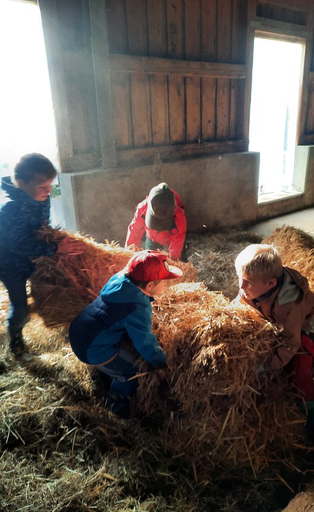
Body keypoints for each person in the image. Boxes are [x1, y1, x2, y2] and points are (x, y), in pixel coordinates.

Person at [68, 250, 183, 417]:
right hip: (92, 348)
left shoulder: (120, 280)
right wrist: (161, 362)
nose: (165, 286)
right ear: (149, 286)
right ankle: (116, 406)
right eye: (163, 282)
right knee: (133, 372)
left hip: (79, 330)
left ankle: (108, 374)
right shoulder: (137, 306)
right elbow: (145, 342)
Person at [0, 153, 83, 356]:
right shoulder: (9, 211)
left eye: (50, 185)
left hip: (33, 260)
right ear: (21, 184)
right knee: (22, 310)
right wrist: (55, 249)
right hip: (10, 266)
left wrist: (54, 239)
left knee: (54, 290)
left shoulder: (41, 198)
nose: (49, 191)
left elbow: (42, 229)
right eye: (42, 187)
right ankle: (15, 335)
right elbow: (22, 245)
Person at [234, 244, 314, 428]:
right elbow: (239, 303)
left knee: (299, 367)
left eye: (247, 282)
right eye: (239, 279)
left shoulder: (289, 304)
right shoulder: (252, 285)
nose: (241, 286)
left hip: (303, 325)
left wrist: (267, 366)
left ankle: (310, 411)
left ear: (271, 284)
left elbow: (290, 341)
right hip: (275, 316)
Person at [125, 182, 187, 262]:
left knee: (181, 260)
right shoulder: (143, 208)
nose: (159, 227)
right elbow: (134, 231)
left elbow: (177, 242)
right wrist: (129, 254)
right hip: (152, 237)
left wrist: (174, 262)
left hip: (170, 236)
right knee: (150, 261)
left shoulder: (179, 216)